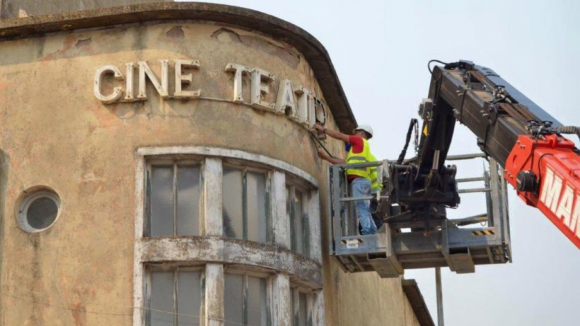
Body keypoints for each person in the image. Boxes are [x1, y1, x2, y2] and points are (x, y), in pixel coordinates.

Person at [314, 123, 377, 235]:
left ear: (361, 133)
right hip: (363, 182)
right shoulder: (361, 147)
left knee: (361, 207)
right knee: (364, 208)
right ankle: (372, 232)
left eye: (356, 133)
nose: (354, 135)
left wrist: (324, 130)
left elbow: (340, 136)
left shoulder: (359, 141)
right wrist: (326, 157)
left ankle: (367, 233)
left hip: (359, 181)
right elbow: (344, 163)